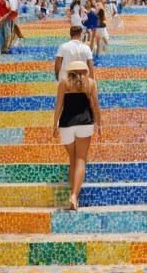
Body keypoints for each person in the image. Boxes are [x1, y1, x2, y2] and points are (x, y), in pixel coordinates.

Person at [52, 61, 101, 211]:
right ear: (84, 71)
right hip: (85, 124)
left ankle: (75, 196)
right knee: (81, 159)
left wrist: (54, 125)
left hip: (67, 125)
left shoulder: (64, 84)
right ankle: (74, 196)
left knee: (72, 159)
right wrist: (99, 124)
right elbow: (96, 105)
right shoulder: (91, 83)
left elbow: (59, 105)